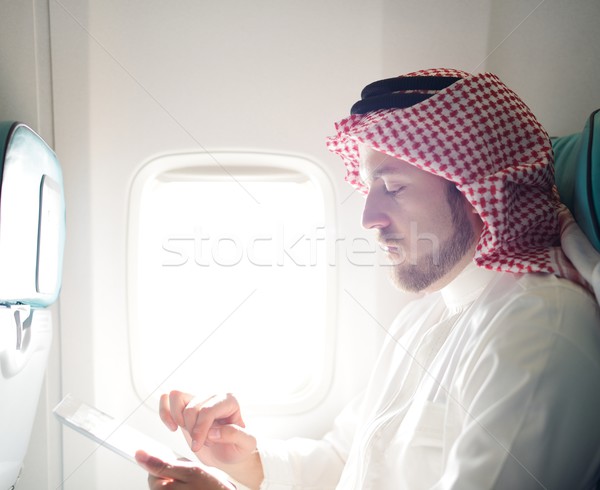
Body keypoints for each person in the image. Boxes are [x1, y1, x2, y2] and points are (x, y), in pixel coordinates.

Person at [136, 68, 600, 489]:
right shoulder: (422, 319)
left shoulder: (539, 327)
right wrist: (244, 462)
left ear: (479, 189)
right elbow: (348, 460)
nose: (368, 216)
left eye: (394, 187)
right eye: (368, 187)